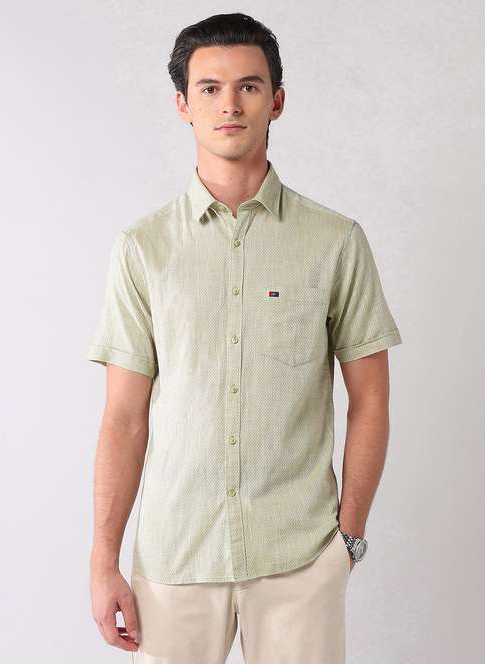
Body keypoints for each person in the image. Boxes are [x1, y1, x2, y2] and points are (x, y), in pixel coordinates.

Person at [87, 12, 402, 664]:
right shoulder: (143, 249)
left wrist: (348, 538)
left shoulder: (336, 242)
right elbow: (123, 417)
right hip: (174, 560)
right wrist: (104, 560)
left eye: (249, 86)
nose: (229, 104)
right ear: (183, 104)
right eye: (209, 88)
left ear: (277, 101)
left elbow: (370, 399)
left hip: (300, 558)